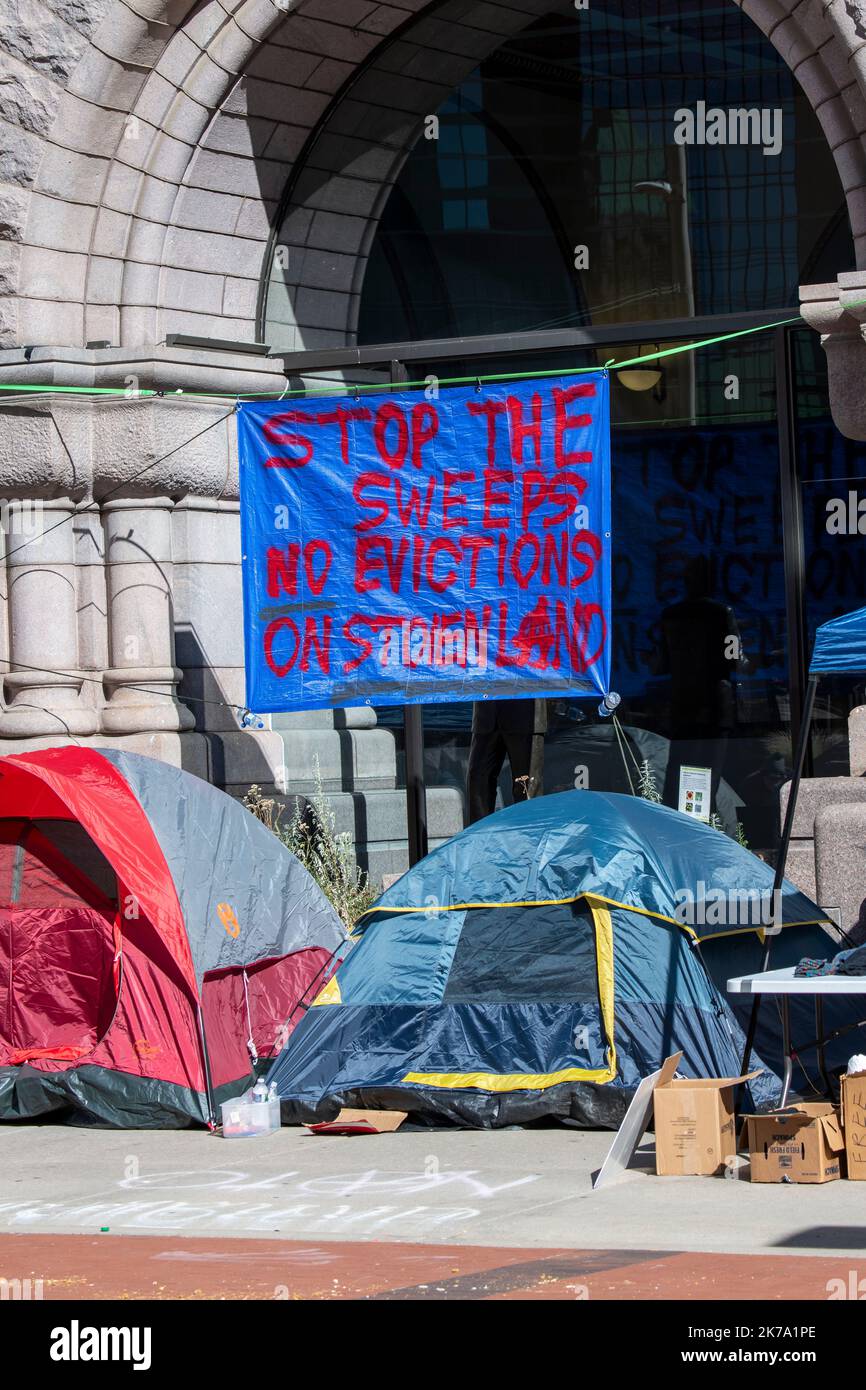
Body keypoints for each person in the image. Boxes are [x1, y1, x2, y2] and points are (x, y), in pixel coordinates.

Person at [466, 697, 547, 823]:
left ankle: (528, 837)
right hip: (486, 710)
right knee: (478, 780)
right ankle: (478, 837)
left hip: (526, 712)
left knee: (526, 786)